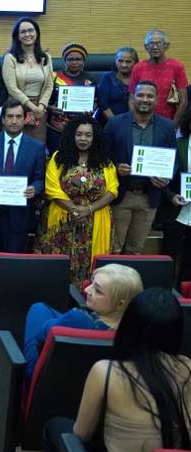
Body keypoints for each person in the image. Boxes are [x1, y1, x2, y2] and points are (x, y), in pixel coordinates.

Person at [43, 287, 191, 452]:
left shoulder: (106, 371)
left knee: (55, 428)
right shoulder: (188, 367)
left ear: (129, 326)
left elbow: (80, 434)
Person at [36, 115, 119, 285]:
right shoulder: (59, 158)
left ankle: (85, 303)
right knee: (58, 267)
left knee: (88, 268)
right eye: (79, 134)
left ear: (94, 137)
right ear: (71, 135)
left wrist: (88, 209)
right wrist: (75, 209)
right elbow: (52, 188)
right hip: (62, 221)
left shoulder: (105, 161)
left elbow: (112, 190)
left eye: (88, 135)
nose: (83, 139)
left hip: (94, 220)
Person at [23, 264, 142, 381]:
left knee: (37, 308)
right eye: (92, 284)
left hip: (46, 383)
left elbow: (42, 334)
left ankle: (26, 375)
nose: (86, 290)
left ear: (120, 303)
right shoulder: (137, 331)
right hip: (94, 389)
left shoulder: (78, 318)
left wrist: (70, 318)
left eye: (98, 290)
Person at [0, 100, 47, 278]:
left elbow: (40, 179)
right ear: (3, 120)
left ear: (25, 119)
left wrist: (34, 189)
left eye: (18, 117)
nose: (14, 121)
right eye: (10, 117)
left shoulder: (37, 147)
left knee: (13, 264)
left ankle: (9, 301)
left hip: (18, 216)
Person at [104, 80, 177, 255]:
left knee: (135, 250)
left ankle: (128, 283)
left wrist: (166, 177)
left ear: (157, 99)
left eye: (150, 96)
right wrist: (115, 169)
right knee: (112, 248)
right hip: (120, 195)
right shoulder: (115, 123)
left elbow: (173, 160)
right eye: (141, 95)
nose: (145, 99)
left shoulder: (167, 127)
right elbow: (101, 157)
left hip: (149, 198)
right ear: (132, 97)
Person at [1, 17, 54, 144]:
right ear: (18, 36)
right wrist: (32, 107)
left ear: (36, 33)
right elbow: (11, 88)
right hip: (16, 107)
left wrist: (40, 107)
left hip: (39, 110)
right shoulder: (10, 57)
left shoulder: (45, 57)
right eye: (23, 32)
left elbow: (49, 85)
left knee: (36, 148)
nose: (27, 34)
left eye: (31, 30)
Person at [128, 30, 188, 127]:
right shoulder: (138, 67)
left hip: (168, 122)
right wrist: (136, 122)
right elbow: (131, 99)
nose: (155, 47)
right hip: (142, 121)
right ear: (146, 47)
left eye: (159, 43)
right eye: (151, 43)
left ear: (166, 46)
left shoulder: (177, 67)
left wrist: (173, 125)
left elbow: (183, 100)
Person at [45, 43, 96, 153]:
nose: (74, 62)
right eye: (70, 59)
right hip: (57, 127)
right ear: (65, 60)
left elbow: (96, 101)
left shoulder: (90, 79)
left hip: (82, 128)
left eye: (78, 59)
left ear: (83, 61)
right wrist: (50, 109)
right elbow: (43, 100)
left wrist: (92, 110)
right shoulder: (54, 77)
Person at [161, 106, 191, 284]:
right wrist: (171, 196)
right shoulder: (178, 144)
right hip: (176, 211)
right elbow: (163, 177)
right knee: (169, 259)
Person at [97, 47, 138, 125]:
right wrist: (117, 125)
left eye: (128, 62)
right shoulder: (107, 77)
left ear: (135, 63)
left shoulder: (139, 78)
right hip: (110, 123)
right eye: (120, 61)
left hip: (134, 124)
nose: (124, 65)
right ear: (115, 61)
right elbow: (104, 106)